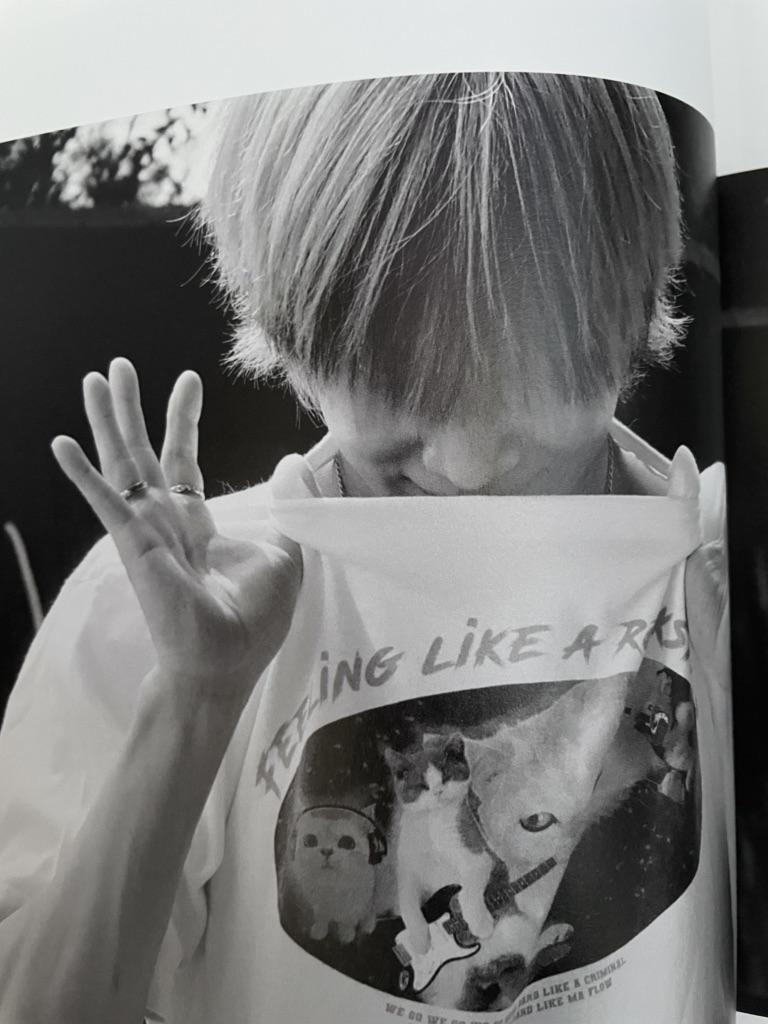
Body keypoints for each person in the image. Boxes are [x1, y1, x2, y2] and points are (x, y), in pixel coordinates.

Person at [0, 72, 728, 1023]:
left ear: (631, 313)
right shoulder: (157, 600)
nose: (464, 466)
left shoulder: (723, 565)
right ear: (293, 338)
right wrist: (193, 702)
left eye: (530, 381)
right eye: (398, 384)